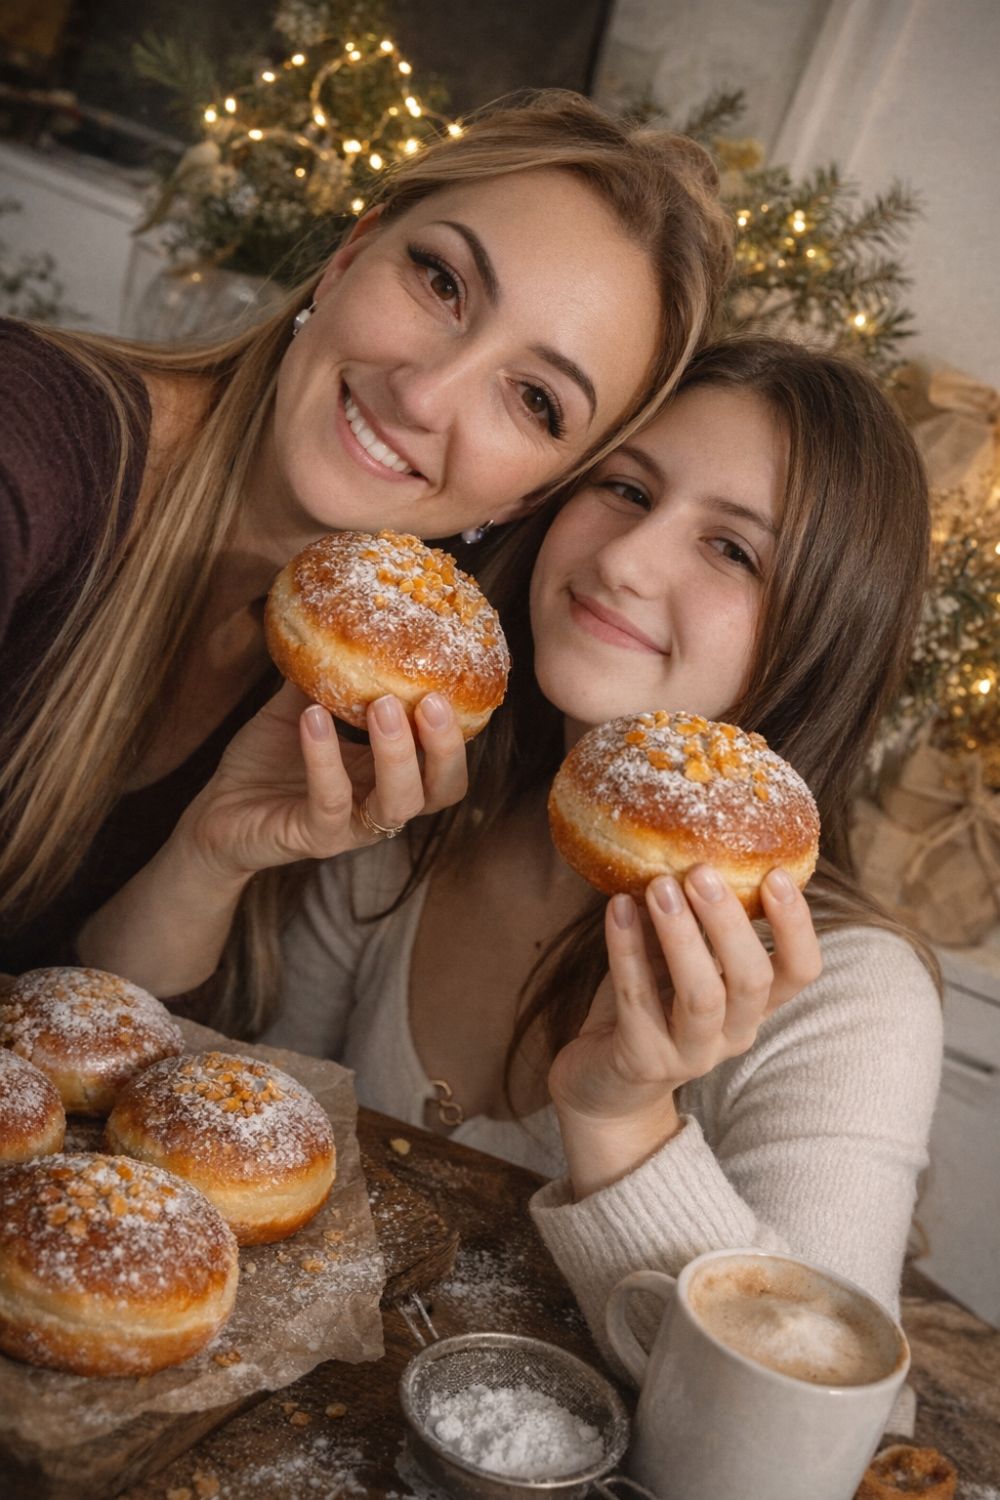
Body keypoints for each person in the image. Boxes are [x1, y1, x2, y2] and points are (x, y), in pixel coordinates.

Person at [78, 336, 942, 1364]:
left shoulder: (852, 999)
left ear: (825, 634)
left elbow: (799, 1438)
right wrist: (211, 853)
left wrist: (621, 1120)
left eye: (733, 551)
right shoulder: (409, 828)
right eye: (626, 488)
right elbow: (162, 1145)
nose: (624, 561)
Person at [0, 89, 734, 1023]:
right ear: (348, 259)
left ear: (532, 496)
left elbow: (91, 1047)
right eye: (442, 283)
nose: (425, 395)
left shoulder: (352, 697)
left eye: (536, 401)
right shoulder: (29, 445)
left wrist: (212, 854)